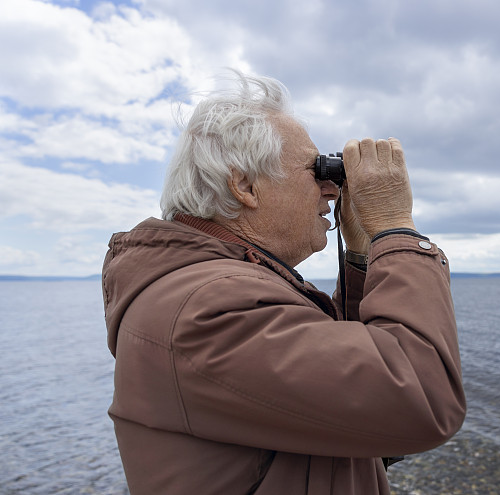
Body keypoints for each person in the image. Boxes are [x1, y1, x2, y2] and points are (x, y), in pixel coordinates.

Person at [101, 72, 466, 494]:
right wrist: (394, 225)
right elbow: (419, 399)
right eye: (316, 170)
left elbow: (349, 396)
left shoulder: (211, 288)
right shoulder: (208, 308)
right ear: (245, 185)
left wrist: (362, 255)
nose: (332, 189)